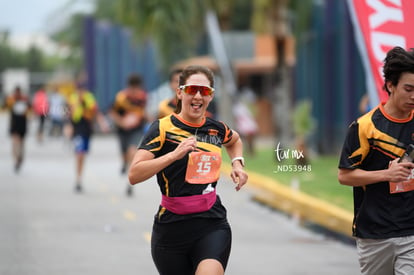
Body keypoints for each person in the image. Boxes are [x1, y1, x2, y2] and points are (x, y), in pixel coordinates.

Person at [128, 65, 248, 275]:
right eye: (192, 90)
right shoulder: (163, 128)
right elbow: (134, 174)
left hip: (212, 223)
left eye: (206, 91)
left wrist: (237, 163)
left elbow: (234, 141)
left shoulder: (216, 128)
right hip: (171, 229)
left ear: (211, 96)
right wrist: (174, 155)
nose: (199, 96)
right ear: (180, 92)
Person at [338, 46, 414, 275]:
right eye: (408, 89)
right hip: (374, 233)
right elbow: (345, 176)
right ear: (390, 86)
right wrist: (386, 175)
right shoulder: (364, 127)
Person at [109, 73, 148, 196]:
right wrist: (122, 122)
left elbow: (143, 112)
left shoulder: (143, 97)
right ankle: (124, 163)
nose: (136, 91)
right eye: (133, 88)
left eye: (138, 88)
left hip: (136, 129)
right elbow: (112, 112)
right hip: (122, 129)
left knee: (132, 151)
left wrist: (143, 117)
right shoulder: (121, 97)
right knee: (125, 153)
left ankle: (129, 184)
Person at [67, 83, 99, 192]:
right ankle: (78, 179)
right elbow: (69, 112)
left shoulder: (89, 98)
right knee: (79, 153)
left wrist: (84, 103)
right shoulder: (72, 98)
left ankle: (80, 177)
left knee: (83, 154)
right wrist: (69, 126)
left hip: (86, 128)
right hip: (77, 128)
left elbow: (93, 111)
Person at [4, 86, 31, 172]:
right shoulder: (11, 100)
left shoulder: (24, 100)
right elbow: (5, 106)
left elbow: (30, 109)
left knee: (21, 143)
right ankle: (17, 159)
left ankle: (19, 158)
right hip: (14, 125)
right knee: (16, 142)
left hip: (22, 125)